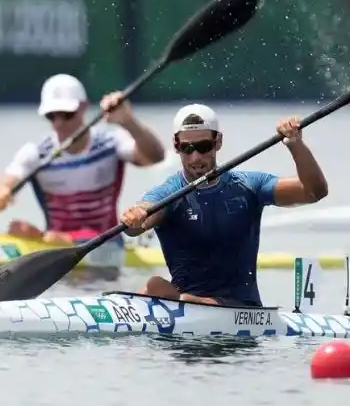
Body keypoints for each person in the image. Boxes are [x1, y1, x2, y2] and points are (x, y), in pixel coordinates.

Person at [119, 104, 329, 307]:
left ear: (218, 142)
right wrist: (136, 217)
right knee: (154, 286)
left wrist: (295, 145)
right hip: (186, 310)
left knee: (156, 286)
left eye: (203, 147)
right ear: (176, 146)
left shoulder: (250, 186)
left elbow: (314, 192)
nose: (195, 157)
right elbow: (139, 222)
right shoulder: (170, 191)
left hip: (243, 310)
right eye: (186, 148)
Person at [0, 73, 166, 244]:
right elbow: (5, 181)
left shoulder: (111, 142)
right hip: (53, 243)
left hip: (107, 243)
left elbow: (156, 157)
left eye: (66, 114)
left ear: (84, 106)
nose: (58, 123)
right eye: (51, 116)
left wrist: (129, 122)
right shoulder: (37, 153)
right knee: (18, 229)